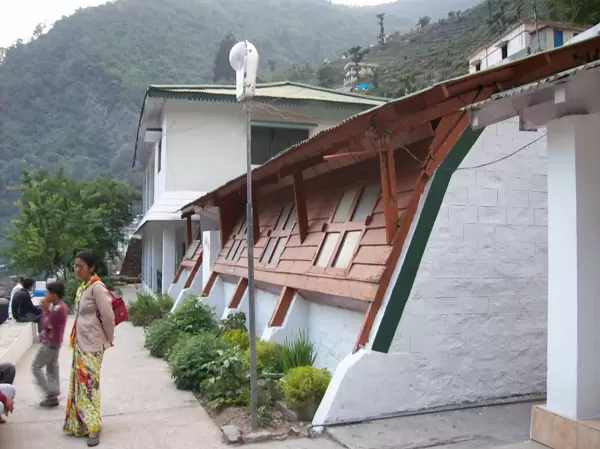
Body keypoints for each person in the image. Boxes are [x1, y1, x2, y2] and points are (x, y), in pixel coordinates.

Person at [63, 251, 114, 447]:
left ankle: (93, 428)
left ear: (91, 267)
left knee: (90, 387)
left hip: (92, 345)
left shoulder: (97, 288)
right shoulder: (83, 288)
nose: (77, 269)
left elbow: (108, 316)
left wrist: (108, 339)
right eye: (75, 266)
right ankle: (82, 423)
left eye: (81, 266)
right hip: (81, 343)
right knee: (80, 386)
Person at [32, 281, 68, 408]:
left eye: (48, 292)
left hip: (50, 343)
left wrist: (45, 310)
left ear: (54, 295)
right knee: (52, 367)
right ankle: (53, 393)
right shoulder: (60, 306)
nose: (46, 295)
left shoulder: (58, 309)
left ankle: (50, 393)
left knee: (36, 367)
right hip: (55, 342)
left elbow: (46, 324)